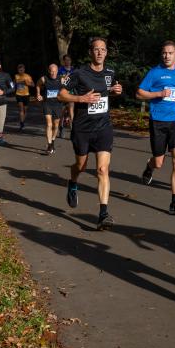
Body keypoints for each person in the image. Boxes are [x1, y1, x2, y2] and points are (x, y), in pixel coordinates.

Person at [58, 37, 122, 230]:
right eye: (96, 49)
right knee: (81, 165)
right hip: (82, 128)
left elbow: (108, 92)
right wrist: (80, 98)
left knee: (103, 170)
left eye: (103, 49)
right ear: (90, 52)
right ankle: (73, 181)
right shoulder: (78, 73)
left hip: (103, 127)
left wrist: (116, 91)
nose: (100, 53)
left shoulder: (110, 72)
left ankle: (103, 213)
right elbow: (61, 94)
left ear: (106, 52)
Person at [136, 40, 175, 215]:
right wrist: (158, 93)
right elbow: (139, 93)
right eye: (164, 53)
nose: (166, 56)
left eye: (170, 53)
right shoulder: (154, 73)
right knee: (159, 162)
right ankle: (149, 166)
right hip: (158, 121)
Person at [36, 64, 64, 155]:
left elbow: (67, 89)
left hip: (58, 105)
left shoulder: (61, 79)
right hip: (47, 104)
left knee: (56, 126)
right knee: (49, 124)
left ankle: (52, 141)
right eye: (51, 71)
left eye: (55, 71)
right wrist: (38, 94)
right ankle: (49, 145)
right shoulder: (44, 79)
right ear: (49, 71)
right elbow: (38, 84)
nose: (53, 73)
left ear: (57, 71)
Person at [14, 63, 34, 131]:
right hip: (18, 94)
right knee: (21, 109)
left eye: (22, 70)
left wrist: (27, 83)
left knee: (25, 110)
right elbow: (13, 84)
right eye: (19, 70)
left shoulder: (27, 76)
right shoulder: (16, 76)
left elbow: (33, 85)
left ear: (24, 70)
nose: (21, 71)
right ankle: (22, 123)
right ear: (18, 70)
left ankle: (22, 121)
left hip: (26, 95)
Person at [58, 54, 75, 138]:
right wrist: (65, 77)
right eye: (66, 60)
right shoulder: (60, 70)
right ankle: (61, 128)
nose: (67, 61)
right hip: (62, 93)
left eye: (69, 60)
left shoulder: (74, 70)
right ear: (63, 61)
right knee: (62, 112)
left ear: (71, 61)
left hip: (71, 93)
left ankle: (73, 131)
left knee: (71, 112)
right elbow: (60, 81)